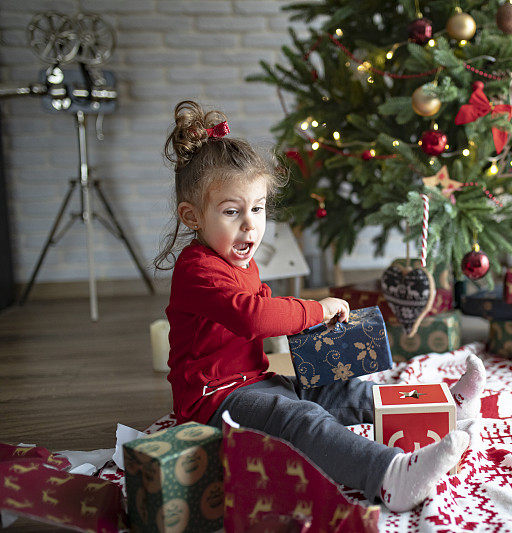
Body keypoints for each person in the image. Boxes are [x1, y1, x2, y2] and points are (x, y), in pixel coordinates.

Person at [155, 100, 486, 512]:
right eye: (231, 212)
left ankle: (444, 409)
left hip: (253, 380)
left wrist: (315, 334)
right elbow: (252, 316)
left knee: (339, 390)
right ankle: (389, 477)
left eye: (257, 209)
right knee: (301, 420)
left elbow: (263, 305)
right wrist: (316, 309)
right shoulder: (196, 270)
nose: (249, 224)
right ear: (192, 217)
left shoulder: (242, 261)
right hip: (213, 402)